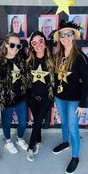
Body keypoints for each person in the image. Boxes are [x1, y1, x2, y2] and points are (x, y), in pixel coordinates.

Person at [52, 20, 88, 174]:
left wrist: (82, 104)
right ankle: (64, 142)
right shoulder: (58, 55)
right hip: (60, 97)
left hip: (74, 100)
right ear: (59, 38)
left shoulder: (81, 58)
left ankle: (75, 157)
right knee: (64, 122)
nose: (65, 38)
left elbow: (86, 82)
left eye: (68, 34)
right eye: (62, 35)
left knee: (73, 128)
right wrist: (55, 94)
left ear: (73, 36)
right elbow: (56, 77)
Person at [26, 31, 55, 161]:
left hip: (46, 98)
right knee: (37, 120)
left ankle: (30, 147)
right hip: (32, 97)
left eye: (41, 41)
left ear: (45, 42)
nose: (38, 44)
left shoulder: (52, 59)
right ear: (31, 45)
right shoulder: (29, 60)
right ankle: (38, 141)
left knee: (37, 122)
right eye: (34, 42)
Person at [0, 33, 28, 154]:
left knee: (23, 122)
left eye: (18, 45)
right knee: (6, 122)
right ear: (6, 44)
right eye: (12, 45)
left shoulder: (21, 57)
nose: (15, 48)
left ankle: (19, 138)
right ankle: (8, 141)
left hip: (21, 97)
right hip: (5, 99)